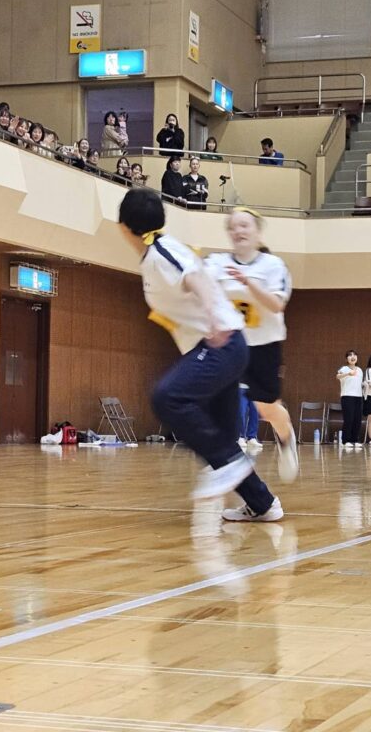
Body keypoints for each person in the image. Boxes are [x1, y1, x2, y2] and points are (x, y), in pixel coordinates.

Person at [117, 189, 283, 522]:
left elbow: (195, 279)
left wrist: (214, 318)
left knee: (168, 398)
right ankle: (263, 504)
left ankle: (231, 465)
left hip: (221, 344)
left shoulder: (162, 253)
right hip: (223, 346)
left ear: (124, 227)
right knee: (222, 440)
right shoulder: (155, 255)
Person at [205, 208, 299, 483]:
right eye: (233, 226)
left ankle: (286, 438)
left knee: (265, 408)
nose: (239, 231)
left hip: (264, 345)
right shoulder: (217, 263)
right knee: (216, 401)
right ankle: (223, 461)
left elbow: (277, 304)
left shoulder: (273, 266)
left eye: (245, 225)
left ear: (257, 232)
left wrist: (248, 283)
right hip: (230, 344)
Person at [337, 350, 364, 449]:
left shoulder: (360, 370)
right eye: (350, 355)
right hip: (347, 396)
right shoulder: (344, 369)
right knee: (348, 419)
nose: (352, 357)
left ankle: (355, 440)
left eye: (354, 355)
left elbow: (359, 383)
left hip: (359, 397)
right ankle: (346, 440)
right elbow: (338, 376)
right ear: (346, 359)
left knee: (357, 419)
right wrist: (348, 374)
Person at [238, 384, 260, 450]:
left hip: (255, 387)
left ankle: (252, 437)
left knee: (255, 412)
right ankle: (241, 436)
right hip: (241, 386)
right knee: (242, 411)